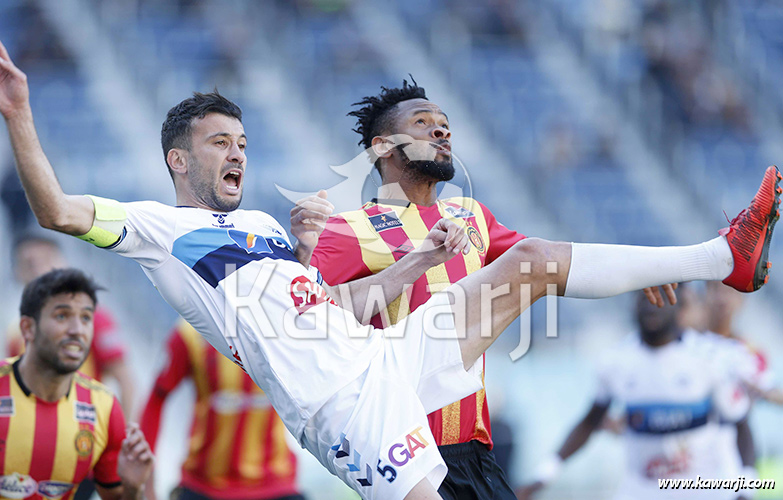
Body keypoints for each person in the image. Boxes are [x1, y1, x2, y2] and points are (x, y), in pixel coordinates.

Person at [0, 41, 779, 500]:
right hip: (341, 407)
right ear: (178, 158)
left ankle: (722, 257)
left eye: (241, 142)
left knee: (533, 260)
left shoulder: (266, 227)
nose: (237, 153)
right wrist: (19, 113)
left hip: (383, 356)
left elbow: (336, 308)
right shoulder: (156, 229)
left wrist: (419, 260)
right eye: (218, 143)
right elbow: (57, 210)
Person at [295, 81, 526, 499]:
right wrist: (304, 251)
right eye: (422, 123)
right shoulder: (349, 229)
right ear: (383, 146)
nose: (441, 130)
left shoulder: (472, 216)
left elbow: (541, 263)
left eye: (444, 123)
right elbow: (301, 317)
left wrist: (640, 274)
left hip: (477, 454)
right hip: (406, 458)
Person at [516, 291, 757, 500]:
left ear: (678, 306)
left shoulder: (711, 358)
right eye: (643, 298)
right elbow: (590, 422)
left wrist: (746, 487)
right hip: (641, 490)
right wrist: (543, 475)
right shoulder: (615, 361)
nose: (651, 306)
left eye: (660, 298)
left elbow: (741, 424)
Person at [1, 268, 153, 500]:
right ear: (28, 328)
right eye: (62, 316)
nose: (77, 330)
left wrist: (133, 488)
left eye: (86, 318)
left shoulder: (104, 408)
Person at [139, 318, 306, 500]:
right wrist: (146, 480)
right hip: (203, 488)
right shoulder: (191, 331)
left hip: (276, 487)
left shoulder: (286, 330)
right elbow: (156, 398)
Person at [6, 235, 135, 415]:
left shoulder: (92, 318)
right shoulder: (16, 332)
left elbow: (125, 380)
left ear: (63, 263)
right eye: (30, 264)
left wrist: (123, 429)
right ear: (17, 272)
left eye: (47, 260)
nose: (40, 270)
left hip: (85, 426)